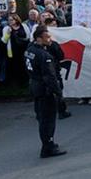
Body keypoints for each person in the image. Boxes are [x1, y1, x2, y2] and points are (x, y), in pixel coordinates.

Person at [25, 25, 66, 158]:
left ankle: (47, 144)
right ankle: (48, 146)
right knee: (47, 120)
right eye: (47, 37)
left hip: (35, 87)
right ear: (38, 38)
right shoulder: (44, 55)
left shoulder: (29, 50)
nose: (50, 39)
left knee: (42, 117)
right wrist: (58, 92)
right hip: (45, 90)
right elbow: (50, 76)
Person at [44, 19, 72, 119]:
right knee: (57, 91)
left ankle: (51, 111)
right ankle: (61, 111)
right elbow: (60, 56)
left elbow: (61, 56)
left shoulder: (37, 45)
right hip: (52, 71)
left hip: (50, 71)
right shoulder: (51, 44)